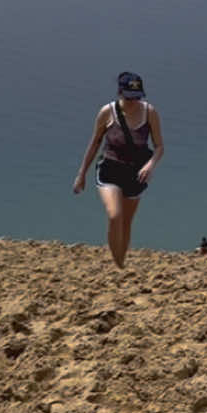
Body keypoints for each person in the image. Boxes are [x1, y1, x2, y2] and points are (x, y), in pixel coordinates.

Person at [73, 72, 164, 269]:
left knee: (126, 223)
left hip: (136, 173)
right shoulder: (107, 112)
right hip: (110, 168)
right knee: (115, 215)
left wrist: (150, 165)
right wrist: (82, 174)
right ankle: (116, 265)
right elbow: (95, 143)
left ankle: (121, 263)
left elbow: (159, 147)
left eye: (137, 97)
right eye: (129, 97)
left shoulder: (150, 112)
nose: (133, 101)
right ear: (120, 93)